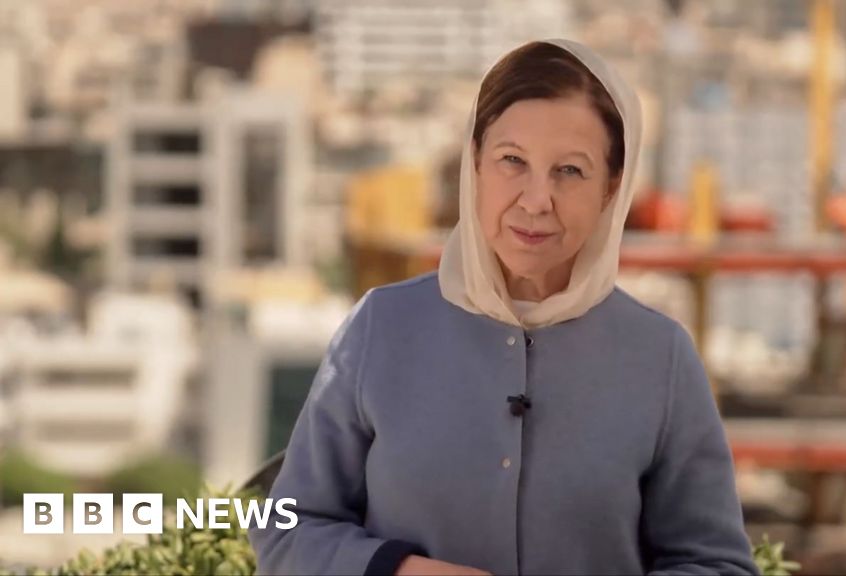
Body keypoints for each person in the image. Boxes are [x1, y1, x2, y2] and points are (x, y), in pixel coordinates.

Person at [248, 38, 759, 576]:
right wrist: (402, 572)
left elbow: (718, 566)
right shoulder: (381, 327)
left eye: (570, 171)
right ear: (475, 164)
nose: (536, 200)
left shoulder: (660, 356)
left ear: (612, 188)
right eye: (512, 161)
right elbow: (287, 528)